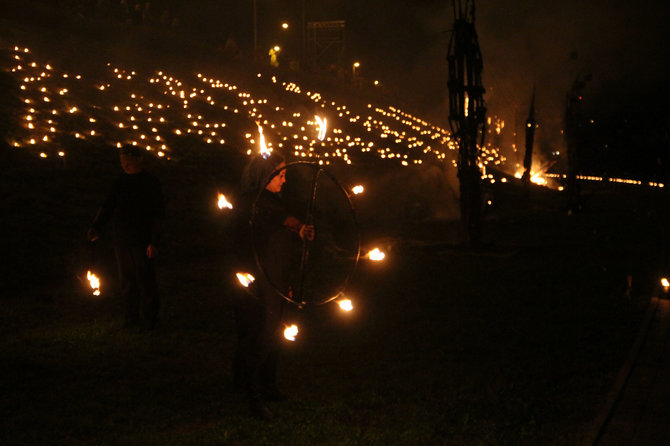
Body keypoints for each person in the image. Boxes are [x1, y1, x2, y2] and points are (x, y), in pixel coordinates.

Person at [230, 153, 314, 420]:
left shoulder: (271, 201)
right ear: (265, 175)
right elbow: (279, 220)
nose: (285, 179)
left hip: (275, 279)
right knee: (259, 335)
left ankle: (267, 386)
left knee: (274, 331)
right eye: (280, 174)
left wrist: (300, 232)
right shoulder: (250, 204)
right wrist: (298, 226)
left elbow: (283, 222)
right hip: (256, 281)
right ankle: (252, 395)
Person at [88, 144, 164, 332]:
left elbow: (158, 214)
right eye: (122, 160)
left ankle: (149, 320)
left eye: (127, 159)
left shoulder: (150, 183)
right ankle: (131, 318)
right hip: (122, 240)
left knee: (145, 281)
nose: (124, 163)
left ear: (137, 160)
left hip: (142, 241)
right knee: (127, 282)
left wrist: (153, 242)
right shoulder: (120, 182)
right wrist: (96, 226)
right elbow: (108, 206)